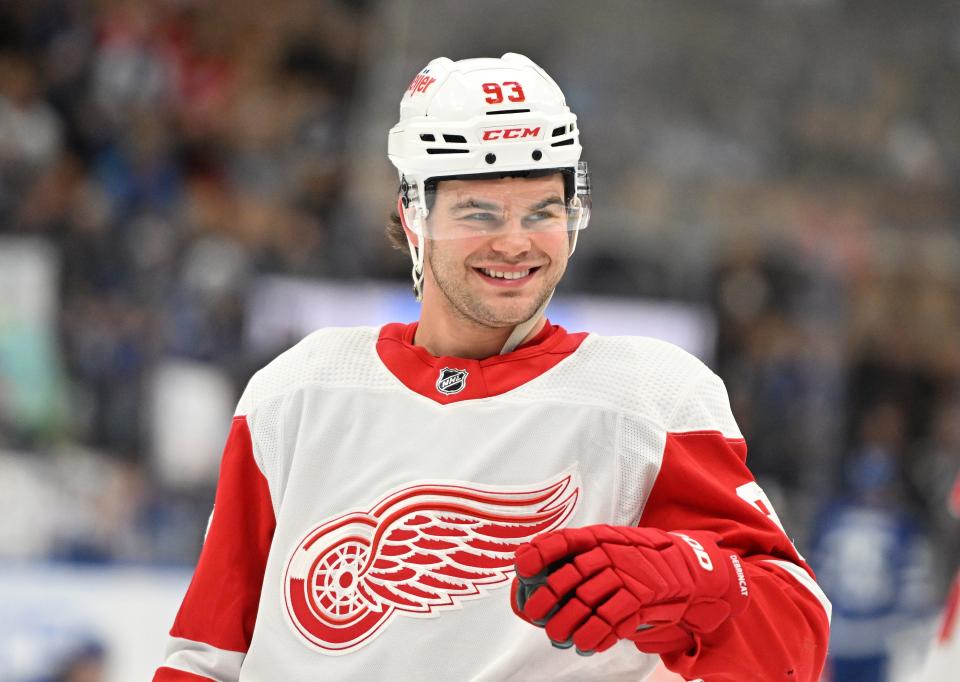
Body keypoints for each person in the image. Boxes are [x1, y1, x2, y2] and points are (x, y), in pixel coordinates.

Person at [155, 53, 830, 681]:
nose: (516, 242)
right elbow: (205, 655)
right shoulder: (298, 389)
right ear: (413, 216)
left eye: (543, 211)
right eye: (480, 212)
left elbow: (798, 640)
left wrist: (695, 580)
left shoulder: (651, 397)